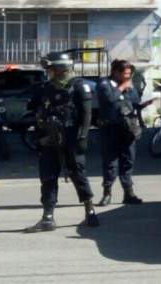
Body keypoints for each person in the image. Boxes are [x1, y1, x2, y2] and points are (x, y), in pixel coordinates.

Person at [25, 52, 99, 232]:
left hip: (72, 138)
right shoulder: (45, 88)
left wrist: (82, 138)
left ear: (59, 69)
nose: (48, 72)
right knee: (48, 177)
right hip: (49, 138)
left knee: (78, 173)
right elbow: (32, 107)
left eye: (50, 69)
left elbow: (87, 115)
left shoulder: (80, 86)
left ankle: (90, 210)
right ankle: (47, 218)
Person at [97, 60, 153, 206]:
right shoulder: (105, 84)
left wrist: (142, 104)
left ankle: (129, 193)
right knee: (110, 162)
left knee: (128, 160)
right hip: (111, 128)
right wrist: (122, 87)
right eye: (125, 74)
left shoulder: (129, 85)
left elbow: (134, 101)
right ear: (115, 72)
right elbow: (109, 99)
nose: (128, 77)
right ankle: (107, 193)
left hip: (128, 128)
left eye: (129, 74)